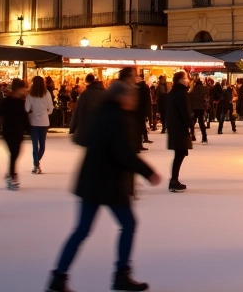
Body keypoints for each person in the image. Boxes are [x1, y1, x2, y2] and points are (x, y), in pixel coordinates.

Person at [46, 80, 162, 292]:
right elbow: (123, 153)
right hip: (109, 183)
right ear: (121, 98)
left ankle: (58, 277)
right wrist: (148, 172)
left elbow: (86, 139)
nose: (134, 100)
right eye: (131, 96)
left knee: (81, 230)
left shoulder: (101, 114)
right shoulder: (118, 118)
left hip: (91, 180)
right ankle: (121, 275)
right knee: (128, 224)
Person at [0, 79, 31, 189]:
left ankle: (11, 175)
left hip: (18, 131)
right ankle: (11, 175)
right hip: (9, 131)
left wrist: (30, 130)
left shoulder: (21, 102)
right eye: (23, 88)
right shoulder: (7, 101)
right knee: (14, 153)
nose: (25, 91)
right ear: (18, 89)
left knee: (15, 153)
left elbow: (24, 118)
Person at [164, 71, 192, 192]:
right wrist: (190, 124)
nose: (188, 80)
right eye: (185, 78)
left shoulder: (172, 92)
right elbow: (185, 111)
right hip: (179, 127)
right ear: (180, 80)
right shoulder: (181, 93)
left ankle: (174, 179)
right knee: (180, 153)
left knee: (179, 153)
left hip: (174, 126)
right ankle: (174, 180)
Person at [26, 75, 55, 174]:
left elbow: (26, 109)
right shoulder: (47, 93)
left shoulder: (30, 94)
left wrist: (33, 112)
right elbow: (51, 109)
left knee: (35, 144)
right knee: (42, 145)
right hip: (44, 122)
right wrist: (44, 113)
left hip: (33, 122)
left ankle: (36, 164)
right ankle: (36, 163)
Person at [70, 74, 106, 146]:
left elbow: (78, 111)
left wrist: (73, 128)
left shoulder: (85, 94)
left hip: (88, 128)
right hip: (103, 129)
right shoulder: (105, 93)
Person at [188, 75, 209, 144]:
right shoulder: (204, 89)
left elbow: (189, 98)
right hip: (201, 107)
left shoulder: (193, 89)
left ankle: (191, 135)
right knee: (201, 122)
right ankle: (204, 137)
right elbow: (206, 97)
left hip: (194, 107)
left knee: (193, 121)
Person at [136, 74, 152, 147]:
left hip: (138, 109)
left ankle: (141, 142)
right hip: (143, 108)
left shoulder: (138, 87)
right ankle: (144, 139)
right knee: (142, 125)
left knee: (140, 125)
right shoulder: (145, 87)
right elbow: (148, 99)